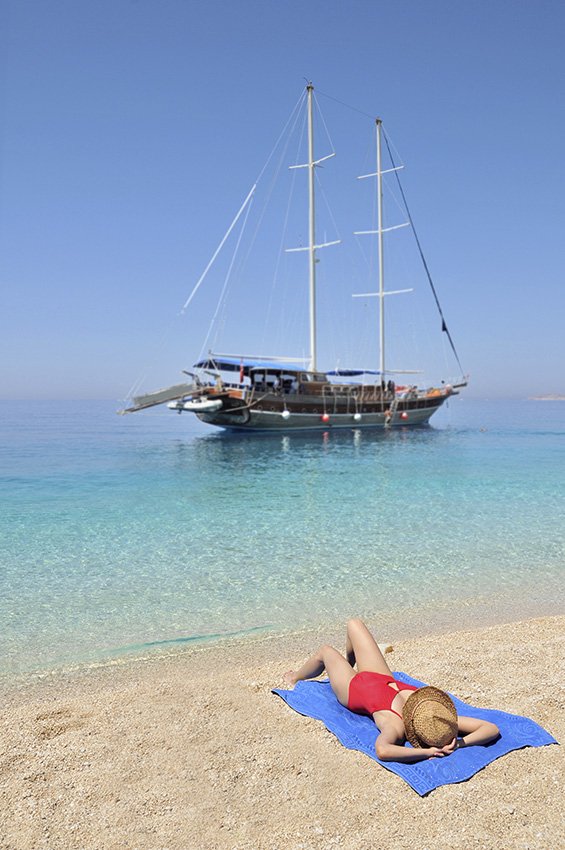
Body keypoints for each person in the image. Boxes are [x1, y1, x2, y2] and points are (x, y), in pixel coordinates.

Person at [283, 618, 499, 763]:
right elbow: (491, 728)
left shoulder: (395, 725)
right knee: (354, 624)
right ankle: (348, 665)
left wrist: (427, 752)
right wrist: (460, 743)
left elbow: (383, 750)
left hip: (354, 690)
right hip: (382, 677)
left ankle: (296, 677)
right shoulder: (438, 718)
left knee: (325, 651)